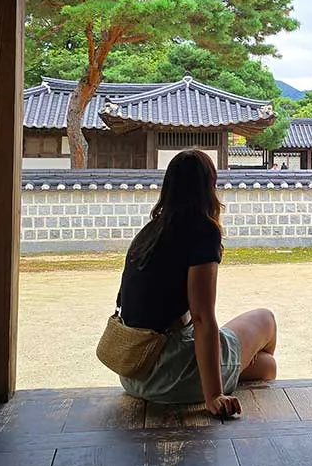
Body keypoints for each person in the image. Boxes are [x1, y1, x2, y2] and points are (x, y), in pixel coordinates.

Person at [113, 149, 278, 417]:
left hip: (134, 373)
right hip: (170, 373)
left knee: (266, 366)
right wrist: (213, 396)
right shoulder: (202, 230)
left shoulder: (149, 232)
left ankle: (225, 375)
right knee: (266, 320)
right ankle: (218, 384)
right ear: (209, 186)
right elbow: (202, 318)